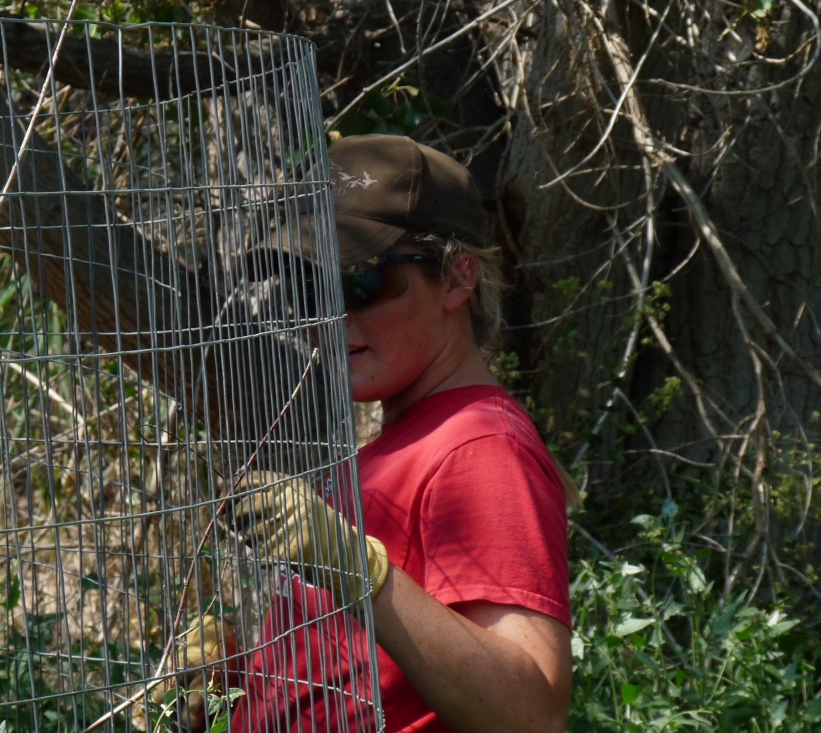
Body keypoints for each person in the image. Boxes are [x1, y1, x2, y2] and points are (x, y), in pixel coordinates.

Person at [171, 135, 574, 733]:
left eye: (358, 282)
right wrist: (230, 685)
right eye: (309, 287)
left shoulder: (479, 446)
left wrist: (354, 565)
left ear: (457, 278)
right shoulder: (406, 444)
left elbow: (529, 716)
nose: (330, 316)